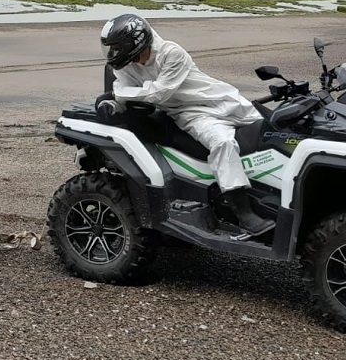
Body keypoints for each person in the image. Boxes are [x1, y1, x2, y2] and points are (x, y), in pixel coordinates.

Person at [98, 14, 275, 236]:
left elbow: (158, 92)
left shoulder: (172, 53)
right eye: (110, 47)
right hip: (192, 113)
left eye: (116, 46)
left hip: (223, 99)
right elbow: (131, 95)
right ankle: (242, 211)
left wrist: (117, 94)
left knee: (275, 132)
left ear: (134, 42)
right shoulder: (124, 66)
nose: (113, 53)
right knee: (222, 143)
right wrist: (113, 102)